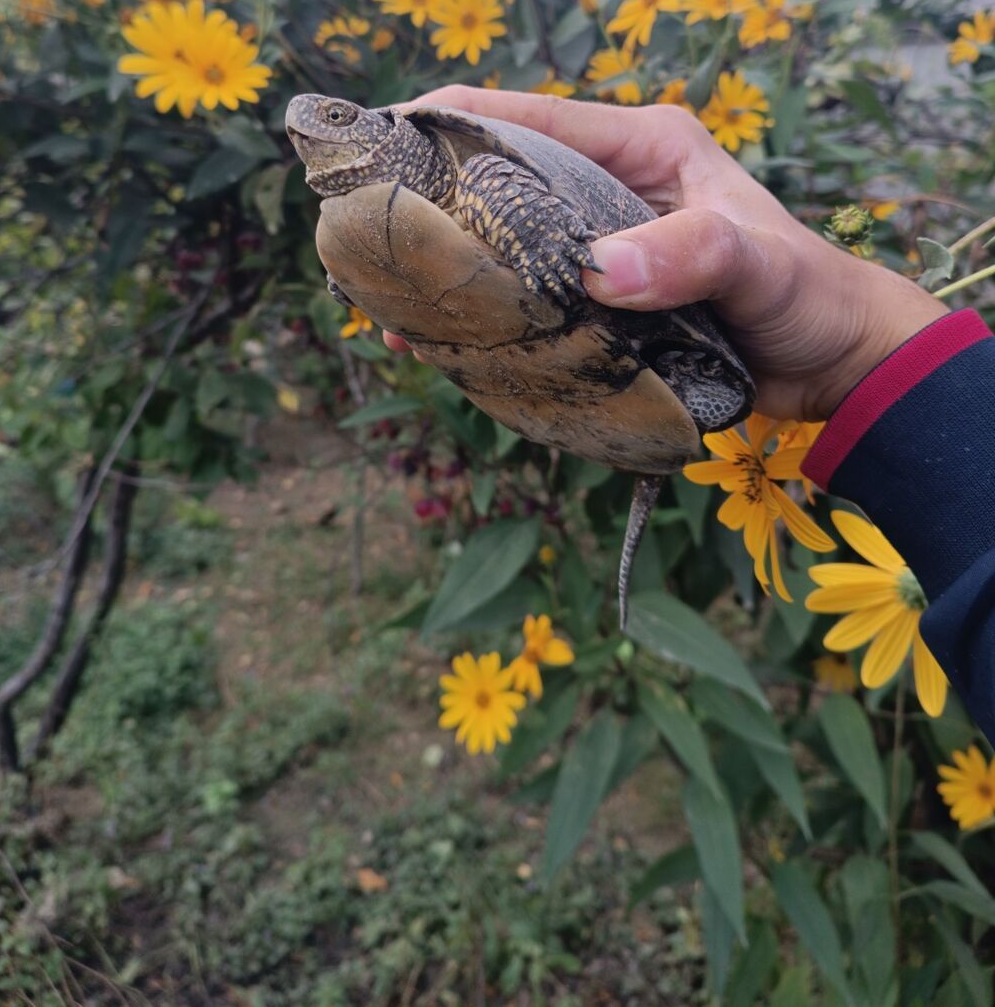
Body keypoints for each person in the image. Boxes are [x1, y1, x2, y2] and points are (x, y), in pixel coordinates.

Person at [382, 86, 995, 742]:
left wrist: (862, 346)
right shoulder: (382, 210)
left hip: (643, 333)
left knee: (496, 186)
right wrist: (867, 347)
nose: (319, 123)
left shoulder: (472, 167)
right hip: (526, 362)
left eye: (340, 116)